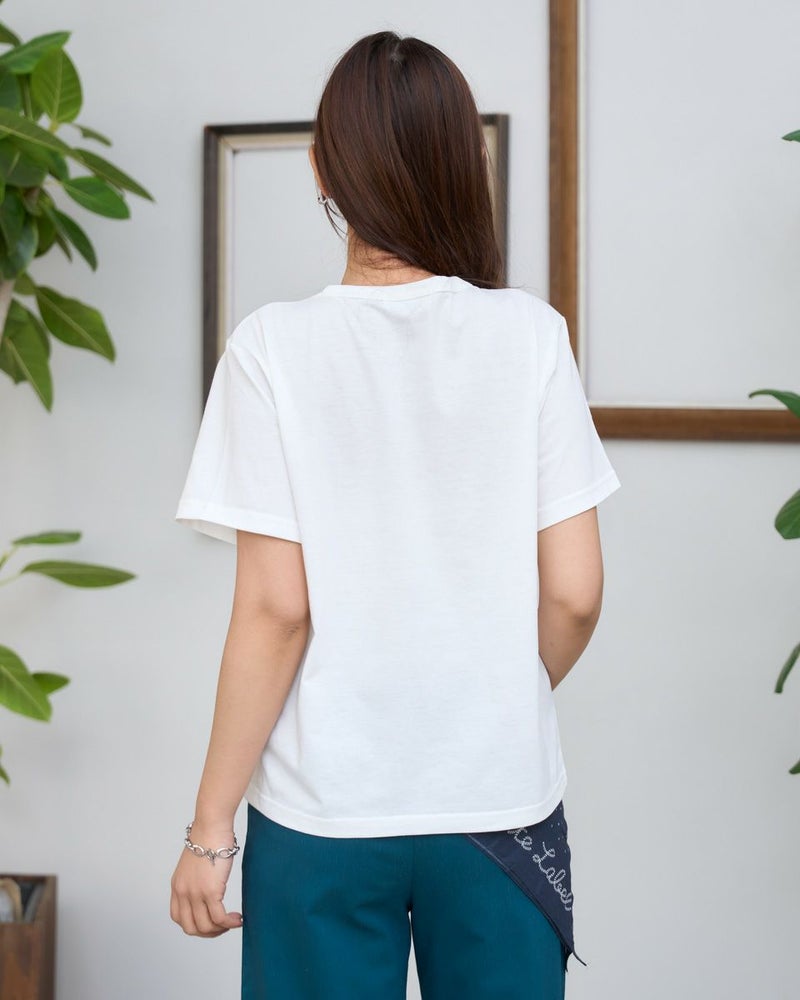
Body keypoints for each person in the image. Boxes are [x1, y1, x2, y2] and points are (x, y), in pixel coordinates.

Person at [169, 29, 621, 1000]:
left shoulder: (270, 349)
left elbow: (275, 609)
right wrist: (489, 691)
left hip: (321, 813)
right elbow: (576, 594)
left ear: (321, 167)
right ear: (464, 161)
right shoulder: (531, 336)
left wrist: (209, 832)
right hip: (499, 808)